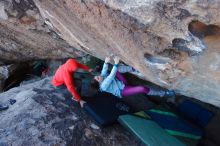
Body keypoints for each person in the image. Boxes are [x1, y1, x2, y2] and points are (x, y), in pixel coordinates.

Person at [91, 56, 175, 99]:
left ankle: (134, 69)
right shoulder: (103, 86)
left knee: (116, 70)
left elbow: (104, 71)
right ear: (99, 83)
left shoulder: (101, 77)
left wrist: (106, 62)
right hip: (122, 91)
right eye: (97, 78)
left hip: (123, 83)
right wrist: (116, 63)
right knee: (142, 89)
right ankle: (163, 93)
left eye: (96, 76)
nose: (99, 76)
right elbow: (110, 76)